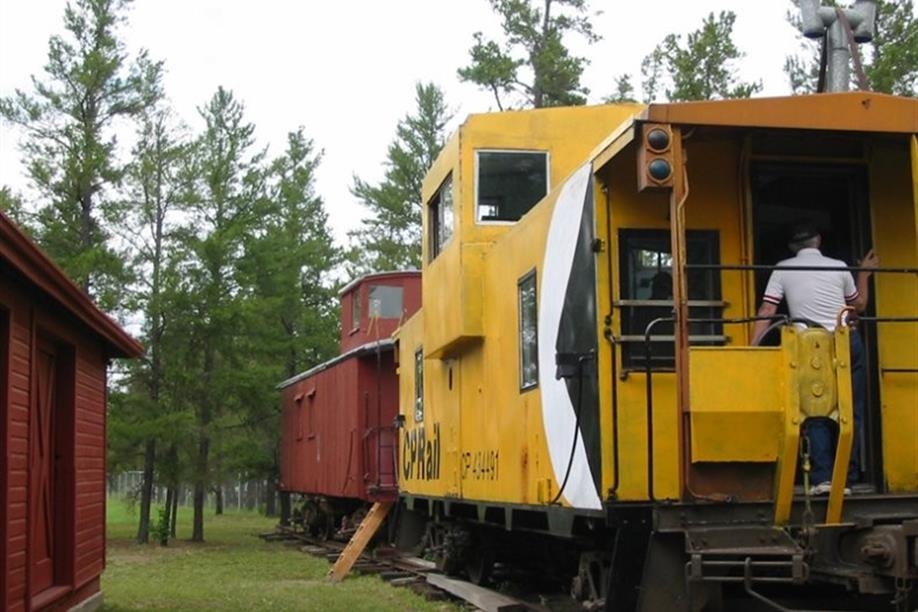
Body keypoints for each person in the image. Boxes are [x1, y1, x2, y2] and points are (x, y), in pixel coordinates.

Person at [751, 222, 879, 495]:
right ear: (818, 241)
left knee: (815, 409)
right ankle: (848, 478)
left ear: (791, 248)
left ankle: (823, 479)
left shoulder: (783, 268)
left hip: (811, 345)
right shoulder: (839, 265)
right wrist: (865, 274)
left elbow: (768, 308)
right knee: (851, 409)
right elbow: (858, 306)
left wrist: (753, 346)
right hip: (845, 340)